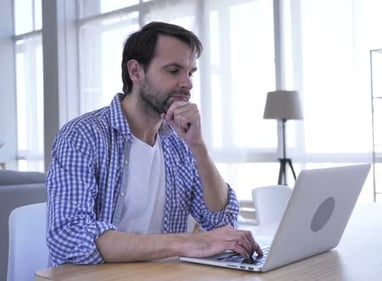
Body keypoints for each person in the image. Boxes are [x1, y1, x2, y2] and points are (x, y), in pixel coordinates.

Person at [46, 21, 262, 267]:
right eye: (173, 71)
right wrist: (190, 243)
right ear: (136, 72)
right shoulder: (82, 136)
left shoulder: (179, 142)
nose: (188, 84)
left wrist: (199, 146)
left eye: (190, 73)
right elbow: (69, 238)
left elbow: (222, 222)